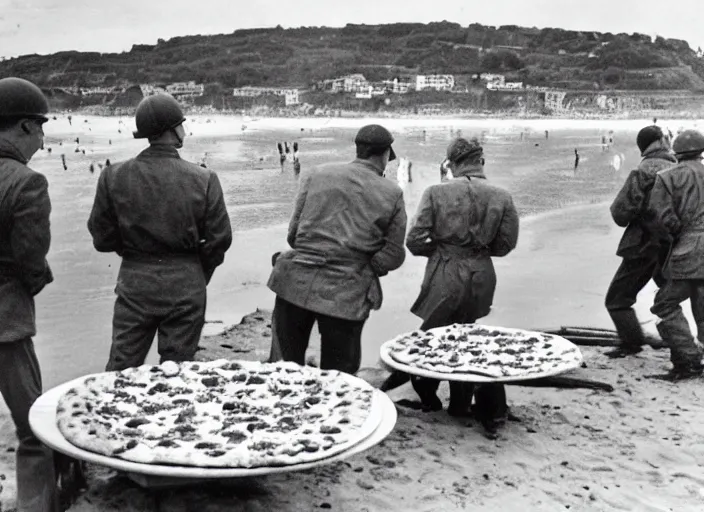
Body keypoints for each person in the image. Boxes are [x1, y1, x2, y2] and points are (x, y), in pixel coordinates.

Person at [88, 94, 232, 372]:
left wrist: (133, 252)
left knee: (121, 369)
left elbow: (102, 238)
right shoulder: (204, 178)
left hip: (135, 282)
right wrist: (198, 272)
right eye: (182, 125)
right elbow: (220, 239)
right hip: (187, 282)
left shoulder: (113, 175)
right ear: (174, 129)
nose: (184, 130)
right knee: (177, 371)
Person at [267, 124, 407, 374]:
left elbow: (293, 236)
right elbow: (394, 255)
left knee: (283, 369)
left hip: (294, 282)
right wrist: (364, 266)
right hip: (347, 293)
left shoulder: (315, 174)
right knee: (340, 375)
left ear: (358, 150)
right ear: (385, 154)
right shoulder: (392, 192)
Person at [404, 137, 519, 436]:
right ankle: (460, 402)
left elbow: (414, 240)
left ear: (451, 164)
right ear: (481, 161)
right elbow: (506, 245)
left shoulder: (435, 192)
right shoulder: (502, 196)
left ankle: (430, 399)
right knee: (467, 335)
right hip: (481, 273)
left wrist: (442, 251)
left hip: (446, 272)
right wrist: (476, 253)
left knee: (431, 339)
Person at [0, 77, 60, 512]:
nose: (42, 137)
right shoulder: (26, 182)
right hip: (6, 322)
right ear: (23, 126)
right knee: (33, 427)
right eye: (40, 127)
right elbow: (30, 258)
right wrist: (40, 277)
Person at [605, 125, 676, 358]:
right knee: (670, 299)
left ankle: (631, 343)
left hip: (644, 245)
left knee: (617, 300)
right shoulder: (680, 169)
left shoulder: (644, 171)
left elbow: (620, 213)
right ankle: (681, 345)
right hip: (674, 245)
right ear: (662, 141)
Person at [646, 129, 704, 380]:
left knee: (665, 304)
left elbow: (660, 216)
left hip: (687, 250)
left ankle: (689, 358)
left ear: (676, 152)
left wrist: (677, 233)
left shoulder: (667, 176)